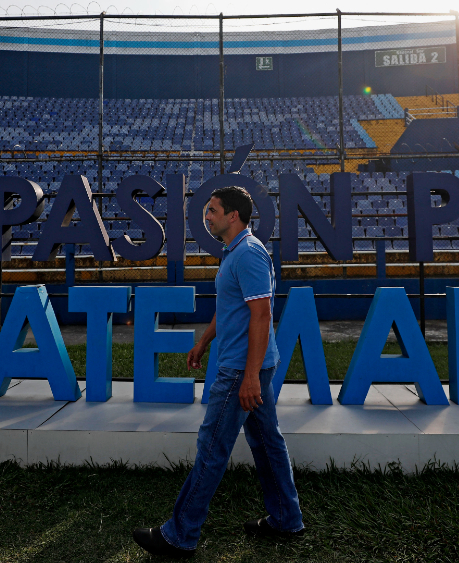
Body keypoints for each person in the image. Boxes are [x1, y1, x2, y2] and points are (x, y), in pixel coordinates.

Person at [132, 185, 305, 558]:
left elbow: (262, 315)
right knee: (267, 443)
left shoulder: (248, 255)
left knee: (212, 449)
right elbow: (232, 308)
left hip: (241, 368)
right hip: (243, 362)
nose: (206, 216)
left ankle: (180, 535)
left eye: (212, 210)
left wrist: (250, 375)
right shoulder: (235, 252)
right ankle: (287, 519)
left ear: (233, 216)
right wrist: (204, 340)